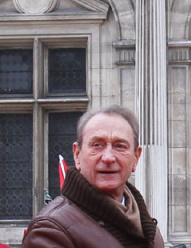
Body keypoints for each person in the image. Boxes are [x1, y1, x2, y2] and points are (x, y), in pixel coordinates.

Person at [22, 105, 164, 248]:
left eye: (120, 146)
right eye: (97, 145)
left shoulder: (150, 231)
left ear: (136, 157)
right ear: (77, 155)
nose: (108, 157)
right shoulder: (50, 231)